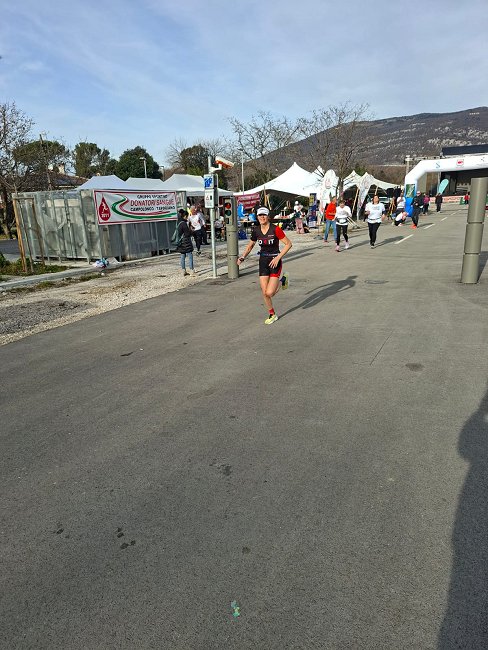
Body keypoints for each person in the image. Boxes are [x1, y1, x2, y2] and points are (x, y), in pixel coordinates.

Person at [237, 206, 292, 325]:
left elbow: (288, 244)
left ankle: (283, 280)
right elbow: (250, 246)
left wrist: (278, 257)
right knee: (264, 292)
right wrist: (242, 257)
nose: (262, 217)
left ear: (268, 217)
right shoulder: (256, 230)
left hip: (274, 261)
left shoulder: (275, 229)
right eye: (260, 215)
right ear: (257, 217)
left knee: (270, 293)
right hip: (263, 262)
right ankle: (272, 314)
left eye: (264, 215)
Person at [175, 209, 196, 277]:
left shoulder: (178, 222)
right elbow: (187, 234)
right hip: (186, 242)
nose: (187, 218)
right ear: (185, 216)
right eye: (187, 216)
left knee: (182, 256)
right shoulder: (184, 224)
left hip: (181, 242)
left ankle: (183, 270)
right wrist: (191, 231)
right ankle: (192, 270)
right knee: (190, 255)